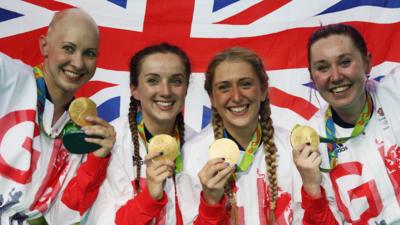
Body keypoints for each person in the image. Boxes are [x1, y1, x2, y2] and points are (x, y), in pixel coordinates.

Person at [0, 8, 115, 225]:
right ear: (44, 45)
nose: (78, 63)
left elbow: (61, 217)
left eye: (89, 53)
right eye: (68, 48)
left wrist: (96, 160)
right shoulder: (9, 77)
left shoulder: (83, 132)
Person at [179, 47, 303, 224]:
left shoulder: (292, 148)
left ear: (262, 91)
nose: (236, 97)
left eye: (246, 84)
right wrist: (210, 203)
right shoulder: (193, 154)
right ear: (212, 98)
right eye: (224, 87)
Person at [293, 23, 400, 224]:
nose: (335, 76)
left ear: (367, 63)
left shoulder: (396, 92)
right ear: (312, 76)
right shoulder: (310, 145)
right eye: (323, 67)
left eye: (345, 62)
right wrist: (312, 190)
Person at [84, 43, 194, 225]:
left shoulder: (197, 145)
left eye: (176, 81)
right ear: (134, 89)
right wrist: (150, 196)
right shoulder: (111, 143)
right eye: (153, 80)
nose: (165, 91)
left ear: (186, 88)